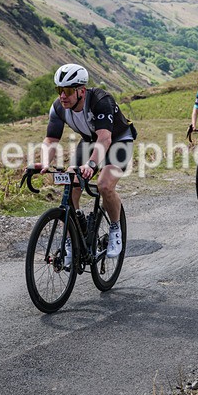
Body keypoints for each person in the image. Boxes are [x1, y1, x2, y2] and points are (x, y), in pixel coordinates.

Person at [39, 63, 137, 263]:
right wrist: (43, 164)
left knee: (104, 185)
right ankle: (73, 234)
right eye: (59, 90)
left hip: (118, 139)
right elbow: (51, 140)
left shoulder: (101, 100)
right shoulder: (59, 107)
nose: (62, 96)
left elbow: (105, 139)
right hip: (91, 140)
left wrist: (91, 165)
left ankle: (115, 228)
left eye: (67, 90)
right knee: (70, 182)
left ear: (81, 91)